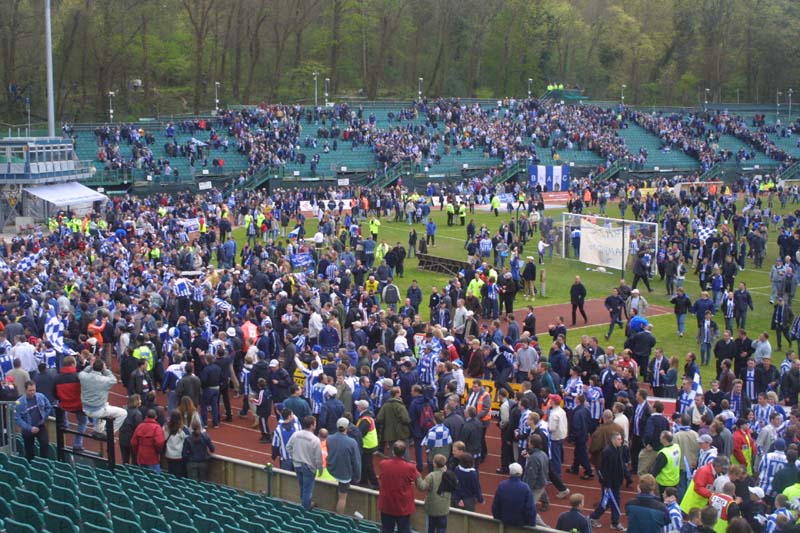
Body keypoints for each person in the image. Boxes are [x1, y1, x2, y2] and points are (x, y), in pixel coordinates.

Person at [378, 440, 419, 533]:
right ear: (404, 452)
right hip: (403, 507)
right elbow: (418, 479)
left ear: (393, 451)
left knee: (386, 530)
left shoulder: (383, 464)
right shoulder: (410, 467)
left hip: (387, 505)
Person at [78, 357, 127, 434]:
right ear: (102, 368)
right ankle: (108, 433)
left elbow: (83, 372)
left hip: (85, 408)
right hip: (98, 410)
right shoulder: (105, 381)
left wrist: (91, 366)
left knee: (106, 404)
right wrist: (105, 369)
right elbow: (113, 379)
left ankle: (98, 430)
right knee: (123, 413)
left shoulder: (83, 376)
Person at [589, 431, 626, 530]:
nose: (621, 441)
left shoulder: (618, 449)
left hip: (616, 482)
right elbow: (601, 469)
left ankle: (597, 518)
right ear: (613, 440)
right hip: (609, 484)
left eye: (621, 439)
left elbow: (620, 465)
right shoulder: (607, 452)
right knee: (608, 502)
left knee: (610, 502)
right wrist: (606, 483)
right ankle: (612, 521)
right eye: (619, 439)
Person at [286, 415, 323, 510]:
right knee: (307, 490)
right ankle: (305, 510)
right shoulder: (315, 440)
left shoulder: (296, 434)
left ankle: (304, 504)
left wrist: (294, 457)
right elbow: (318, 457)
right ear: (312, 425)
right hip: (309, 467)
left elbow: (288, 447)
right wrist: (320, 469)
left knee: (302, 487)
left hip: (297, 465)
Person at [327, 417, 362, 515]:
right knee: (342, 498)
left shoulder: (329, 438)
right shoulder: (352, 442)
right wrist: (358, 476)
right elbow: (357, 462)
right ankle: (339, 518)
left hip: (330, 471)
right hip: (344, 474)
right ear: (347, 428)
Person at [53, 355, 87, 452]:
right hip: (78, 405)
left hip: (64, 405)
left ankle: (65, 424)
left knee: (60, 408)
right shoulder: (78, 377)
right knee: (83, 422)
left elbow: (54, 394)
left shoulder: (57, 378)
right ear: (72, 364)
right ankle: (77, 444)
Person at [14, 381, 54, 461]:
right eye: (30, 390)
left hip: (40, 426)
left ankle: (43, 463)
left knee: (45, 444)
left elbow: (48, 406)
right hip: (28, 429)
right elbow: (17, 419)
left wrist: (44, 418)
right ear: (25, 390)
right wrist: (30, 428)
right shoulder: (19, 402)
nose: (32, 392)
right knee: (29, 453)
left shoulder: (41, 396)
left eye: (34, 390)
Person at [416, 454, 453, 533]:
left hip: (432, 509)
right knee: (442, 529)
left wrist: (418, 477)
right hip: (444, 508)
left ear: (434, 464)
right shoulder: (449, 474)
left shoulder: (431, 476)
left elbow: (422, 487)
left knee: (430, 528)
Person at [491, 462, 536, 527]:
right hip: (520, 524)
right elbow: (530, 509)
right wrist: (531, 524)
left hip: (504, 522)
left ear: (510, 473)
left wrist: (498, 518)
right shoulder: (525, 488)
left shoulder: (502, 485)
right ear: (521, 473)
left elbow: (495, 506)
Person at [118, 394, 144, 464]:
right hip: (132, 439)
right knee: (134, 460)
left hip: (122, 437)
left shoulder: (123, 411)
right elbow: (138, 428)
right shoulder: (137, 414)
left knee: (125, 459)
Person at [163, 410, 189, 477]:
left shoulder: (166, 428)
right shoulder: (183, 429)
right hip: (179, 456)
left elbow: (164, 438)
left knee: (171, 472)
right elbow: (188, 439)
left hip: (169, 455)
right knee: (180, 474)